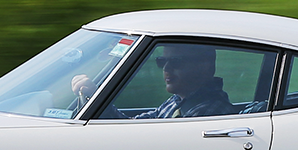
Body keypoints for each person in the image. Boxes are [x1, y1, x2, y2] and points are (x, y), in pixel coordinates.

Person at [71, 43, 236, 119]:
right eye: (161, 61)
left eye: (176, 62)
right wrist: (95, 96)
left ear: (204, 67)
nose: (166, 68)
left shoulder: (208, 111)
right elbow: (131, 128)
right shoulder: (178, 101)